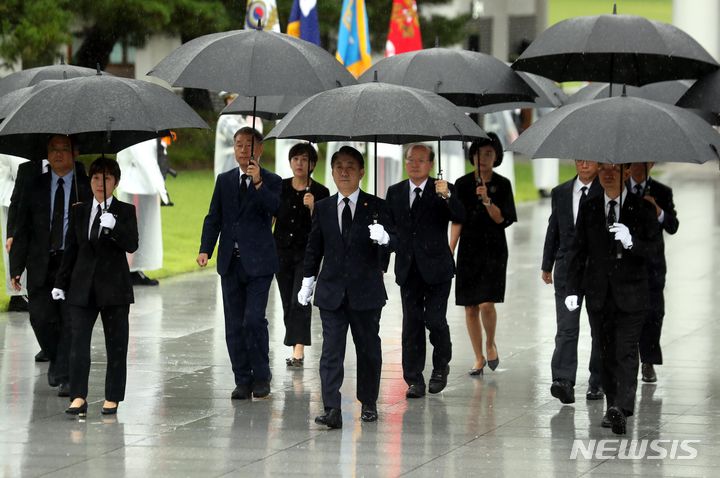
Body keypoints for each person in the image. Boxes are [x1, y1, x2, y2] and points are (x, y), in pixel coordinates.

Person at [298, 146, 395, 429]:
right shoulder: (325, 207)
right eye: (338, 166)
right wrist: (307, 281)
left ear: (362, 172)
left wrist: (385, 237)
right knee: (331, 352)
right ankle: (331, 408)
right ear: (331, 171)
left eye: (350, 166)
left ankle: (368, 402)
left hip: (366, 292)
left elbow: (396, 242)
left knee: (367, 349)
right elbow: (314, 247)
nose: (344, 171)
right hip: (331, 292)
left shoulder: (376, 206)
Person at [565, 162, 661, 435]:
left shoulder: (641, 209)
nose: (607, 174)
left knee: (626, 351)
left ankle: (623, 406)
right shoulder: (591, 206)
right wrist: (573, 289)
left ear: (627, 173)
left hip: (632, 295)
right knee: (605, 352)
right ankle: (612, 406)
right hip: (598, 295)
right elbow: (577, 250)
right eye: (603, 169)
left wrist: (631, 242)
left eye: (615, 169)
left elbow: (654, 250)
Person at [198, 127, 281, 400]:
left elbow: (276, 209)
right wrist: (205, 250)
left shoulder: (272, 180)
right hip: (230, 263)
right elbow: (213, 217)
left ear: (260, 150)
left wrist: (258, 183)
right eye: (239, 145)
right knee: (234, 324)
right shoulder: (224, 180)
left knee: (253, 320)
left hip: (259, 263)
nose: (244, 150)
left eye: (249, 145)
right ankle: (242, 379)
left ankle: (262, 376)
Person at [52, 156, 138, 416]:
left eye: (107, 178)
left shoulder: (125, 211)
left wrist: (113, 229)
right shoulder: (79, 209)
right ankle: (78, 396)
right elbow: (72, 249)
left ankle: (113, 396)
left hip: (114, 288)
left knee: (116, 344)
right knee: (77, 342)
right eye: (96, 178)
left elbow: (132, 244)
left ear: (116, 182)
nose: (101, 183)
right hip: (82, 287)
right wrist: (60, 282)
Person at [9, 135, 91, 395]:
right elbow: (21, 228)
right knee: (40, 318)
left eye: (63, 150)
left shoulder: (85, 187)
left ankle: (66, 374)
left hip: (73, 264)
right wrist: (15, 267)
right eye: (53, 150)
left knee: (69, 320)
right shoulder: (35, 185)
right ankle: (57, 358)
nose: (57, 155)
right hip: (41, 262)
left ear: (74, 153)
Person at [386, 144, 465, 398]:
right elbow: (391, 228)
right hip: (408, 267)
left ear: (430, 164)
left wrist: (447, 197)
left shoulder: (442, 188)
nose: (414, 164)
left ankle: (441, 365)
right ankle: (413, 379)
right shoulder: (395, 192)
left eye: (421, 160)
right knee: (412, 323)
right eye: (410, 159)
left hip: (437, 267)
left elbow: (461, 216)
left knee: (434, 319)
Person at [450, 133, 517, 376]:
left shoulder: (503, 184)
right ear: (472, 156)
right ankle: (478, 356)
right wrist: (451, 248)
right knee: (470, 306)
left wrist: (487, 200)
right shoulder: (461, 184)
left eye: (489, 153)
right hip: (469, 248)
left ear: (496, 156)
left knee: (487, 303)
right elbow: (457, 219)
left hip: (494, 249)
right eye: (479, 154)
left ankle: (490, 343)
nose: (484, 158)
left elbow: (502, 219)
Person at [542, 160, 604, 404]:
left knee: (600, 328)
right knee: (567, 327)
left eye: (590, 159)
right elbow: (553, 228)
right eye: (580, 159)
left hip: (598, 269)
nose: (585, 164)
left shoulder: (608, 190)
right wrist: (547, 264)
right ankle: (563, 380)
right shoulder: (561, 192)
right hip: (567, 269)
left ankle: (597, 382)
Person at [273, 142, 329, 368]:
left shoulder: (320, 192)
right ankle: (294, 339)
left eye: (304, 159)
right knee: (287, 300)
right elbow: (271, 216)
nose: (299, 163)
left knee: (301, 299)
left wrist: (313, 208)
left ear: (312, 164)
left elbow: (325, 225)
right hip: (281, 251)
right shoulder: (279, 187)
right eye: (296, 159)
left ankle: (298, 350)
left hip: (307, 254)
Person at [628, 162, 679, 383]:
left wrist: (658, 210)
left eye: (647, 162)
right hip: (627, 261)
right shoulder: (619, 189)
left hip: (653, 263)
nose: (642, 166)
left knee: (654, 313)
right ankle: (626, 358)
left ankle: (648, 361)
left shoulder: (661, 191)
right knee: (627, 312)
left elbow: (673, 226)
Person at [116, 138, 171, 286]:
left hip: (146, 185)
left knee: (143, 230)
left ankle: (135, 269)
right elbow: (143, 157)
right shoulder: (133, 125)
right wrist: (161, 188)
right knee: (133, 229)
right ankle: (127, 270)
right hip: (136, 184)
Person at [1, 153, 29, 312]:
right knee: (16, 243)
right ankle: (19, 294)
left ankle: (21, 292)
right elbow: (20, 166)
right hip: (12, 194)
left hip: (16, 191)